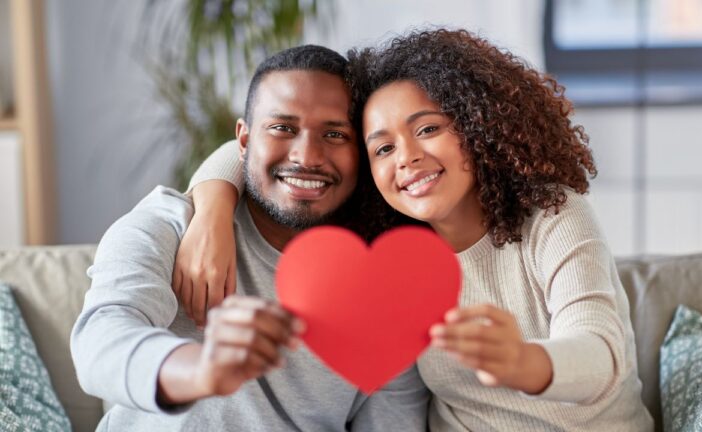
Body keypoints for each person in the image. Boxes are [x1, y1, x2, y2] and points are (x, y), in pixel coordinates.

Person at [177, 29, 655, 430]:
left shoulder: (551, 216)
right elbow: (265, 149)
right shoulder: (387, 249)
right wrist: (214, 209)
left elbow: (600, 356)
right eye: (382, 149)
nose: (406, 157)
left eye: (427, 129)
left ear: (477, 125)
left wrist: (521, 362)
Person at [70, 45, 429, 432]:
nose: (307, 155)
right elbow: (101, 339)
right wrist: (198, 369)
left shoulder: (386, 285)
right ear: (243, 141)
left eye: (334, 134)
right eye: (282, 128)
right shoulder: (171, 226)